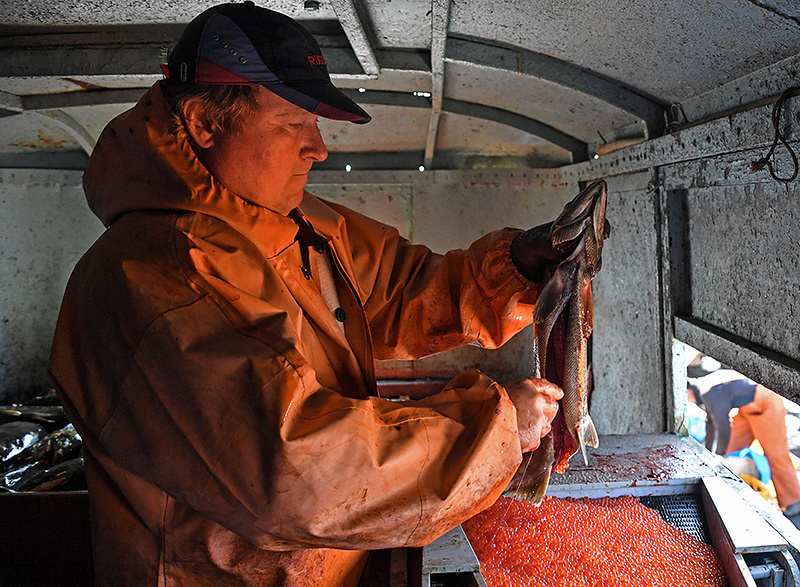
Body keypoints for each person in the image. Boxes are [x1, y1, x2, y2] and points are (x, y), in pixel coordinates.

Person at [48, 2, 570, 585]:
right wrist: (496, 428)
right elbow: (294, 470)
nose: (318, 148)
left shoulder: (293, 222)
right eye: (293, 123)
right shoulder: (157, 272)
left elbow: (403, 289)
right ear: (204, 123)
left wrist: (519, 270)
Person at [688, 365, 800, 528]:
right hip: (746, 409)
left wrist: (718, 454)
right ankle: (731, 493)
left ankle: (793, 501)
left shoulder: (709, 392)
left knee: (775, 454)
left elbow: (723, 428)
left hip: (766, 402)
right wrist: (707, 454)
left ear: (688, 392)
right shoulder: (703, 388)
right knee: (730, 450)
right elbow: (711, 422)